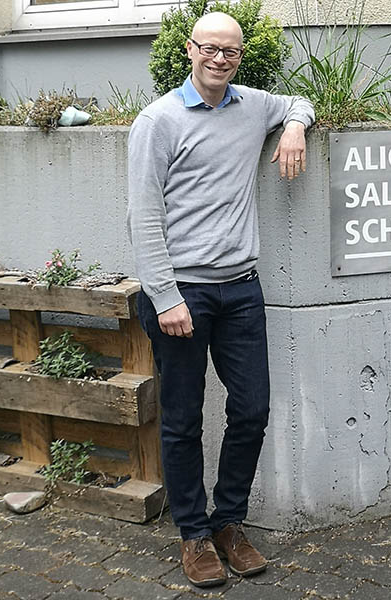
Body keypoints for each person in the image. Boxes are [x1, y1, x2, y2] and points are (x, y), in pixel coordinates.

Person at [127, 11, 314, 587]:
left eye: (230, 51)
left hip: (241, 289)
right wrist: (165, 296)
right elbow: (143, 214)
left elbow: (298, 101)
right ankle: (194, 535)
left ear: (240, 55)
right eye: (210, 48)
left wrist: (294, 127)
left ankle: (229, 521)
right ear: (189, 50)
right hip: (181, 293)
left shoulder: (250, 105)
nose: (220, 59)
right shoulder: (158, 120)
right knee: (182, 419)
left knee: (252, 409)